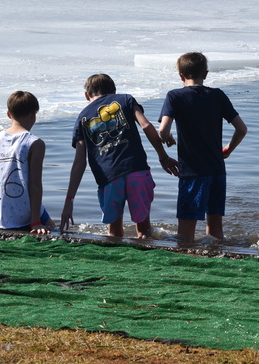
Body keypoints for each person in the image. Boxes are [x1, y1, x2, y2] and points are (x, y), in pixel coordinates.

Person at [61, 74, 179, 238]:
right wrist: (163, 157)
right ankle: (146, 255)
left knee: (114, 232)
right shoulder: (125, 99)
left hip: (109, 178)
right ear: (113, 90)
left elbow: (79, 163)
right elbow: (146, 125)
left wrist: (69, 200)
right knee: (144, 230)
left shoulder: (82, 117)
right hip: (136, 169)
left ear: (87, 95)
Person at [158, 52, 247, 244]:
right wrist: (228, 150)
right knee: (215, 231)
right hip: (217, 169)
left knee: (185, 233)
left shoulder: (174, 96)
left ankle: (187, 262)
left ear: (181, 75)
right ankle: (216, 259)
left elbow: (163, 130)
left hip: (192, 171)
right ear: (205, 74)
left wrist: (169, 137)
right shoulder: (217, 95)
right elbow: (241, 129)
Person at [0, 91, 53, 234]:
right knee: (52, 228)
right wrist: (35, 222)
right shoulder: (35, 143)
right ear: (33, 115)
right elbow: (35, 184)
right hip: (22, 214)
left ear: (8, 114)